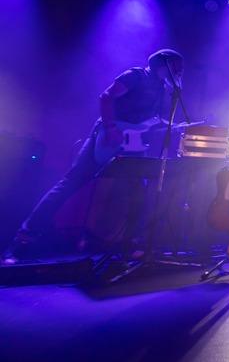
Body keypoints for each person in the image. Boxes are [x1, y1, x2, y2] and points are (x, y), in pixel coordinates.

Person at [2, 49, 185, 265]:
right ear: (162, 64)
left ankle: (130, 244)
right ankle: (23, 241)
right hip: (107, 137)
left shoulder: (163, 89)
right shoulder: (136, 75)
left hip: (132, 145)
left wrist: (181, 127)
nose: (178, 72)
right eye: (175, 66)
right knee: (69, 185)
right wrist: (111, 128)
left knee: (140, 191)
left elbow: (152, 122)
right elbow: (106, 97)